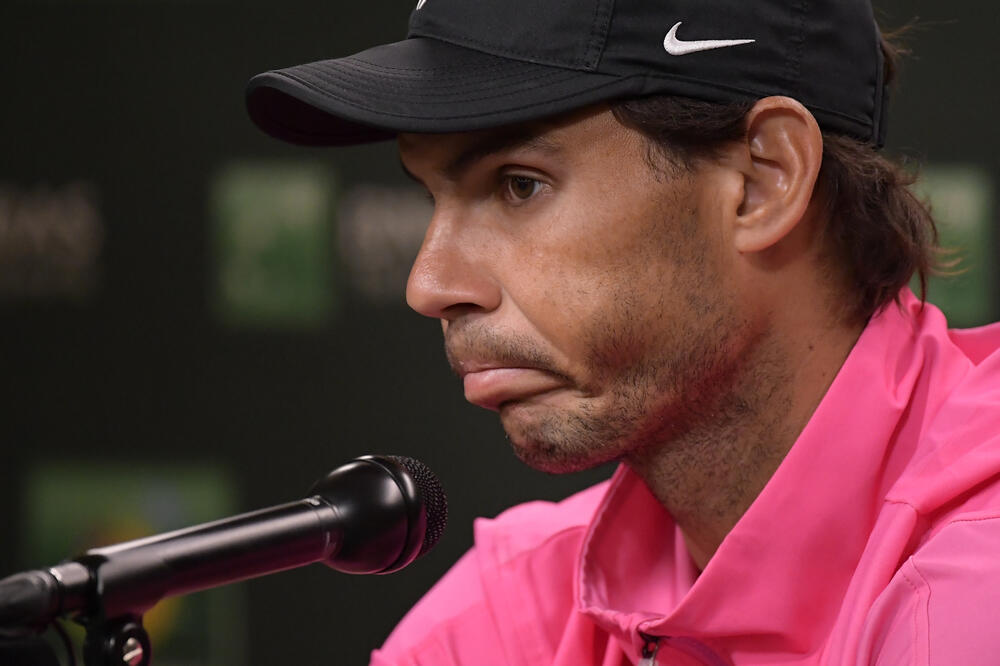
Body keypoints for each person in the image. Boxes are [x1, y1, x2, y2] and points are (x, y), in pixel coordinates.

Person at [245, 0, 1000, 663]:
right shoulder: (522, 607)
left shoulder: (975, 577)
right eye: (430, 197)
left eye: (519, 185)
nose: (429, 285)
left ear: (763, 181)